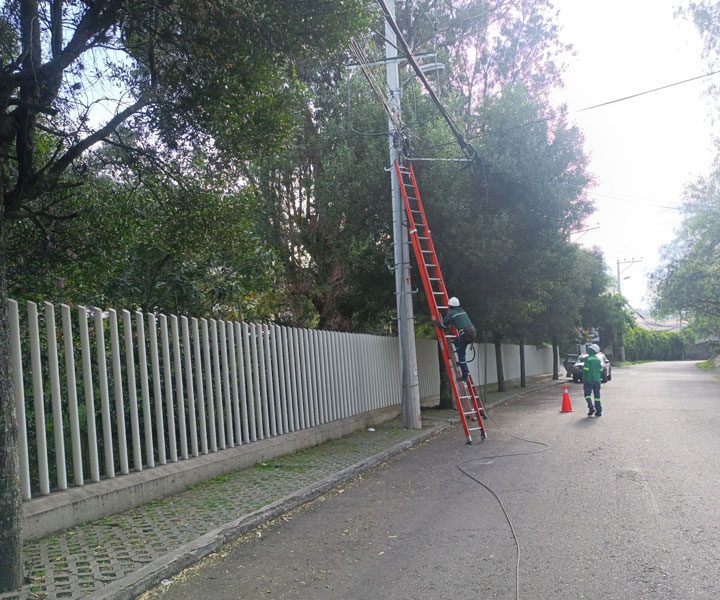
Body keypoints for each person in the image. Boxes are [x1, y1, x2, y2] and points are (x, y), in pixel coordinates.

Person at [436, 296, 476, 382]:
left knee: (461, 355)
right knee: (458, 341)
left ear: (450, 306)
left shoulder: (451, 313)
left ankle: (465, 376)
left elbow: (443, 326)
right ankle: (460, 363)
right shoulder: (463, 311)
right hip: (472, 333)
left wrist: (437, 322)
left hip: (465, 335)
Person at [583, 343, 603, 417]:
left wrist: (584, 378)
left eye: (589, 348)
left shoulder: (587, 359)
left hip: (589, 380)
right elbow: (601, 370)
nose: (588, 349)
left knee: (587, 395)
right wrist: (598, 377)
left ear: (592, 350)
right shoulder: (598, 360)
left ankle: (591, 407)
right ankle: (599, 411)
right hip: (597, 380)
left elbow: (585, 370)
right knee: (597, 396)